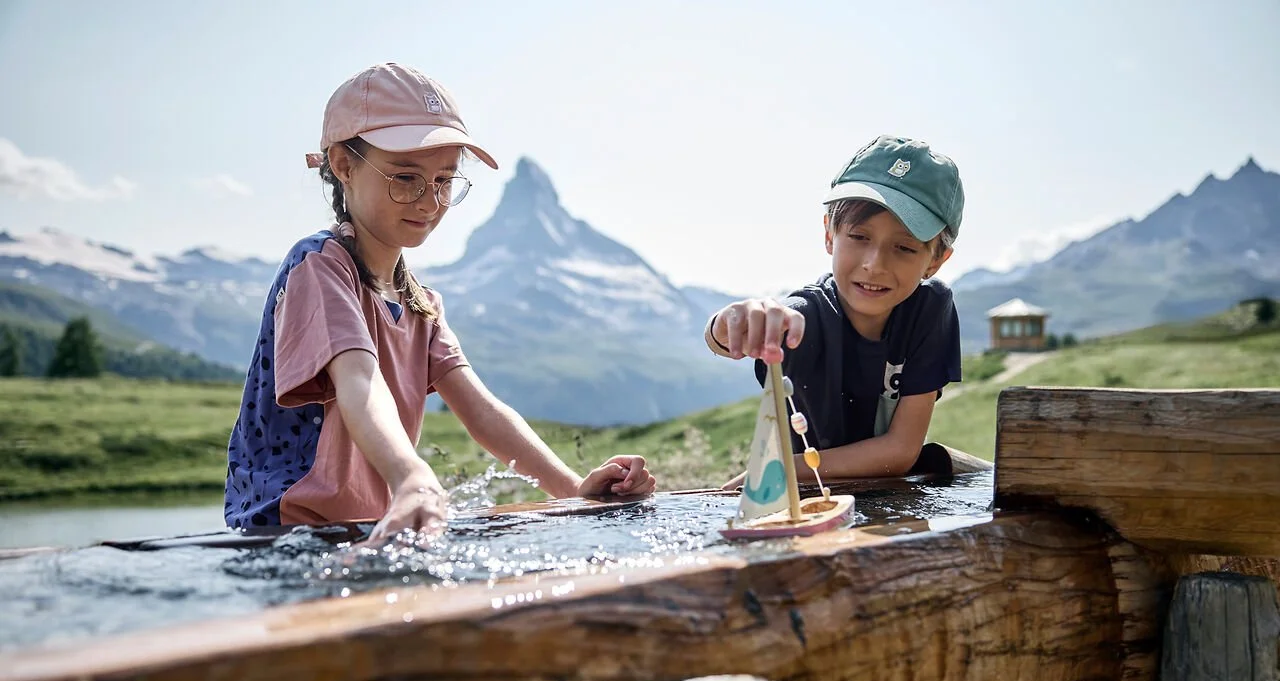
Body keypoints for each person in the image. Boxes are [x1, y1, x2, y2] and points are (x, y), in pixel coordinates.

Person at [225, 63, 655, 542]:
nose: (430, 202)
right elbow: (359, 382)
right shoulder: (320, 268)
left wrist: (572, 490)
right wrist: (411, 476)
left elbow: (484, 413)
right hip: (287, 534)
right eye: (406, 178)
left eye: (445, 181)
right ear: (344, 165)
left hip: (372, 531)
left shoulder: (420, 304)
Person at [704, 136, 964, 483]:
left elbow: (900, 450)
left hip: (875, 500)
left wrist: (778, 471)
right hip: (806, 507)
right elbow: (732, 332)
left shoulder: (930, 310)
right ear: (829, 233)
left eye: (903, 247)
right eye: (859, 237)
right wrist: (724, 327)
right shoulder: (804, 318)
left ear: (935, 261)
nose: (874, 264)